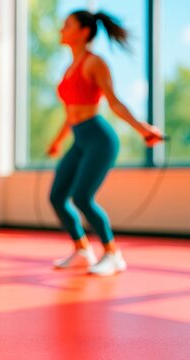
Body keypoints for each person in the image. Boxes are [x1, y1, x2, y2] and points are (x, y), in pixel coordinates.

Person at [48, 10, 164, 276]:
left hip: (99, 139)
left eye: (67, 25)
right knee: (57, 197)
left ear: (83, 32)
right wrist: (56, 142)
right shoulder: (69, 69)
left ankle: (113, 254)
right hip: (79, 139)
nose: (61, 30)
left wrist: (142, 129)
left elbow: (114, 102)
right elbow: (70, 115)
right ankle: (82, 250)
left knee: (82, 198)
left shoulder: (94, 63)